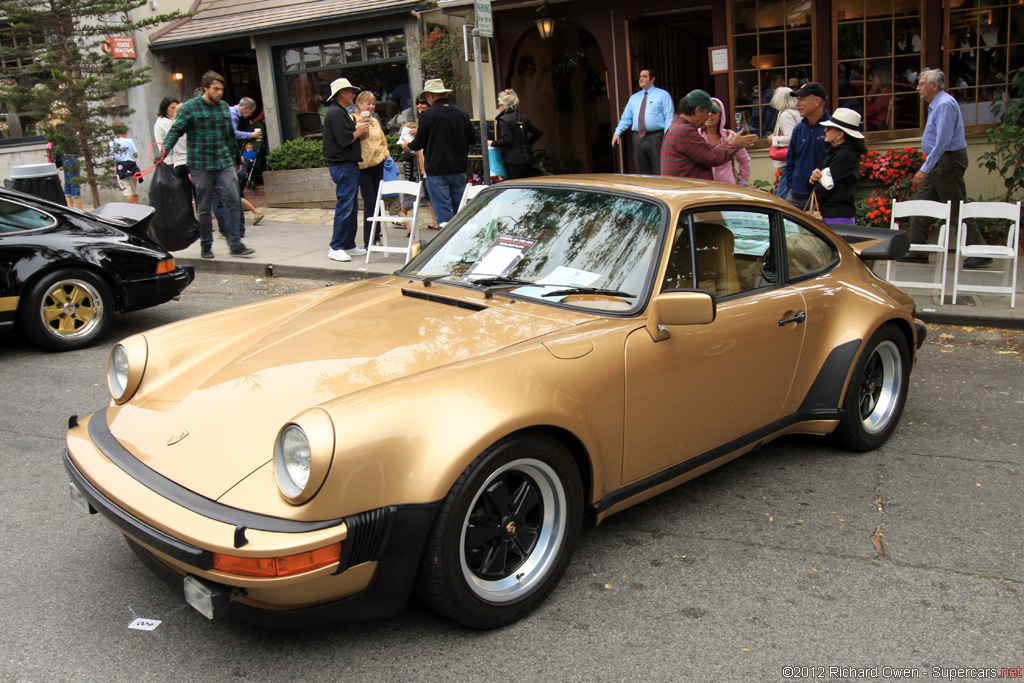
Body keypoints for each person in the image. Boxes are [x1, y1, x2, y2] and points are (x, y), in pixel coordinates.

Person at [902, 68, 990, 268]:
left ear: (934, 86)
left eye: (922, 83)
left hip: (947, 161)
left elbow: (943, 141)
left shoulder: (944, 104)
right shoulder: (937, 104)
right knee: (921, 203)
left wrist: (925, 168)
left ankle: (980, 252)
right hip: (940, 161)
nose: (918, 88)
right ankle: (917, 250)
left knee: (956, 207)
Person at [162, 70, 254, 259]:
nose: (219, 93)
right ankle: (206, 244)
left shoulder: (223, 108)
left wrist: (237, 160)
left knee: (233, 200)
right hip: (200, 164)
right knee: (204, 207)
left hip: (223, 162)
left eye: (221, 89)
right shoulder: (191, 108)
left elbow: (230, 135)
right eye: (215, 89)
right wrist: (163, 151)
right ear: (205, 88)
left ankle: (235, 243)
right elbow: (176, 130)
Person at [407, 78, 476, 228]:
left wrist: (408, 145)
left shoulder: (428, 115)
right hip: (458, 168)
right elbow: (472, 139)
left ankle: (447, 246)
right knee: (461, 211)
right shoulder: (461, 112)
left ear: (430, 95)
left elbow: (418, 143)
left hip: (437, 169)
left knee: (444, 215)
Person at [322, 77, 370, 262]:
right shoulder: (336, 113)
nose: (353, 94)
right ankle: (336, 246)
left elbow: (347, 138)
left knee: (349, 205)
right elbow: (344, 139)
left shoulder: (338, 112)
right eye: (350, 91)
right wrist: (358, 131)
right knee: (345, 205)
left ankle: (348, 243)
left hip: (346, 164)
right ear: (342, 93)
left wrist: (358, 132)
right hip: (343, 164)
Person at [660, 90, 756, 181]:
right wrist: (735, 144)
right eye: (707, 113)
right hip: (687, 192)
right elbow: (713, 157)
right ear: (698, 110)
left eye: (713, 113)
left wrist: (728, 144)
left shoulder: (677, 127)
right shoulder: (686, 131)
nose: (708, 117)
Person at [807, 108, 866, 225]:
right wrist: (813, 179)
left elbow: (821, 190)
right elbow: (812, 186)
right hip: (831, 215)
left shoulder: (845, 155)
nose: (825, 130)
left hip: (837, 217)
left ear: (840, 134)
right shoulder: (836, 153)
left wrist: (814, 183)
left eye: (829, 128)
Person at [780, 81, 831, 211]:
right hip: (796, 196)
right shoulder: (798, 129)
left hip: (822, 198)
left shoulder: (832, 129)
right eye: (797, 99)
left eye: (802, 99)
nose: (797, 104)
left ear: (817, 101)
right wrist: (790, 187)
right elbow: (790, 161)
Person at [611, 68, 674, 175]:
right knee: (641, 172)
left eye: (644, 76)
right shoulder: (634, 98)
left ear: (652, 79)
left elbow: (669, 116)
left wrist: (667, 136)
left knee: (659, 170)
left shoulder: (663, 95)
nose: (641, 79)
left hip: (656, 137)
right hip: (638, 138)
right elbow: (626, 118)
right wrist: (617, 132)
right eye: (640, 76)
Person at [354, 91, 391, 251]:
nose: (370, 107)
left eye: (373, 104)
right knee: (369, 202)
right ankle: (368, 239)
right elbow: (352, 138)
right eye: (367, 103)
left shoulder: (375, 121)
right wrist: (360, 126)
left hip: (377, 165)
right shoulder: (353, 120)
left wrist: (385, 154)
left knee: (377, 201)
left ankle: (377, 236)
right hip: (363, 166)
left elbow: (383, 141)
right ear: (359, 104)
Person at [492, 89, 543, 180]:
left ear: (504, 105)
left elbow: (506, 140)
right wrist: (527, 143)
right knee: (524, 186)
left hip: (512, 161)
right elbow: (538, 132)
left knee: (514, 187)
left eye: (499, 105)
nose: (498, 107)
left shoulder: (504, 120)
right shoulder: (523, 117)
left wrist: (493, 143)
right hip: (527, 159)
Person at [229, 96, 265, 226]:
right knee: (234, 193)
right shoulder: (232, 114)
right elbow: (232, 134)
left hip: (231, 159)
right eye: (249, 112)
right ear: (245, 108)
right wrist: (251, 135)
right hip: (229, 158)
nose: (249, 115)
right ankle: (252, 214)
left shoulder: (231, 113)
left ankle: (244, 220)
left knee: (234, 193)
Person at [699, 97, 751, 186]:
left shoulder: (730, 135)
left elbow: (745, 160)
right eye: (707, 111)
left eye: (714, 112)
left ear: (721, 116)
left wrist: (742, 182)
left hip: (728, 188)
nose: (710, 114)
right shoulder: (696, 136)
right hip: (703, 188)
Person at [153, 97, 193, 202]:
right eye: (172, 108)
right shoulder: (166, 123)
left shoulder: (166, 122)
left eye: (176, 108)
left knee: (184, 194)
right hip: (173, 160)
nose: (174, 110)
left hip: (176, 161)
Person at [768, 87, 800, 200]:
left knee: (782, 197)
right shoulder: (797, 113)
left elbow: (790, 138)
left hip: (789, 160)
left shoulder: (786, 115)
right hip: (796, 158)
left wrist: (774, 140)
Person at [108, 121, 140, 204]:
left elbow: (111, 158)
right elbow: (136, 155)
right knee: (134, 190)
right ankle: (139, 210)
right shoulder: (129, 141)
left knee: (127, 191)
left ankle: (131, 210)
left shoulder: (112, 143)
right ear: (125, 131)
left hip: (121, 167)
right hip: (132, 166)